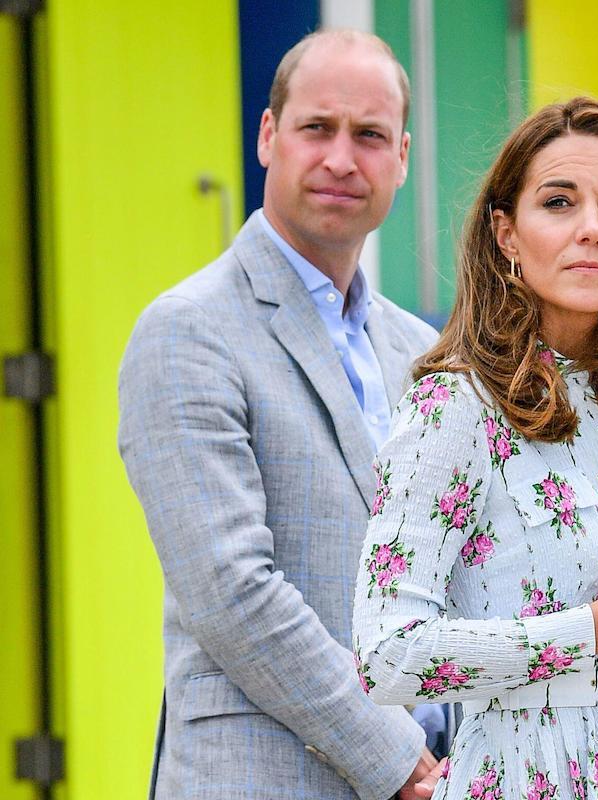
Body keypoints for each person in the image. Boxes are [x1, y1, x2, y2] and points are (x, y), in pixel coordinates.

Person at [352, 97, 598, 799]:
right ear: (506, 234)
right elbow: (387, 656)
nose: (592, 229)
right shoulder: (453, 408)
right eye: (559, 202)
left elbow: (585, 670)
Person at [119, 30, 446, 800]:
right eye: (316, 128)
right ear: (269, 137)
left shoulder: (423, 351)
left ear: (402, 156)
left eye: (368, 136)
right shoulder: (188, 330)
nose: (341, 158)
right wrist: (397, 759)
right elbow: (232, 592)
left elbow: (459, 574)